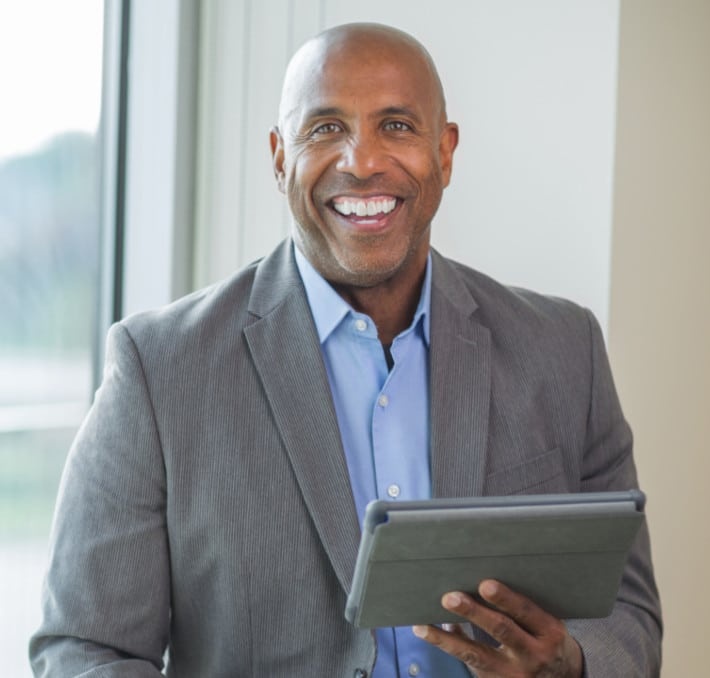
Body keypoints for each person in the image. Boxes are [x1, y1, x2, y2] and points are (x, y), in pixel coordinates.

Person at [30, 22, 662, 677]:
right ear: (280, 158)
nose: (361, 161)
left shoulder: (565, 352)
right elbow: (83, 650)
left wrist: (575, 663)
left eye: (396, 125)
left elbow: (630, 615)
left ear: (445, 151)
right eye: (326, 128)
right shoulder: (158, 370)